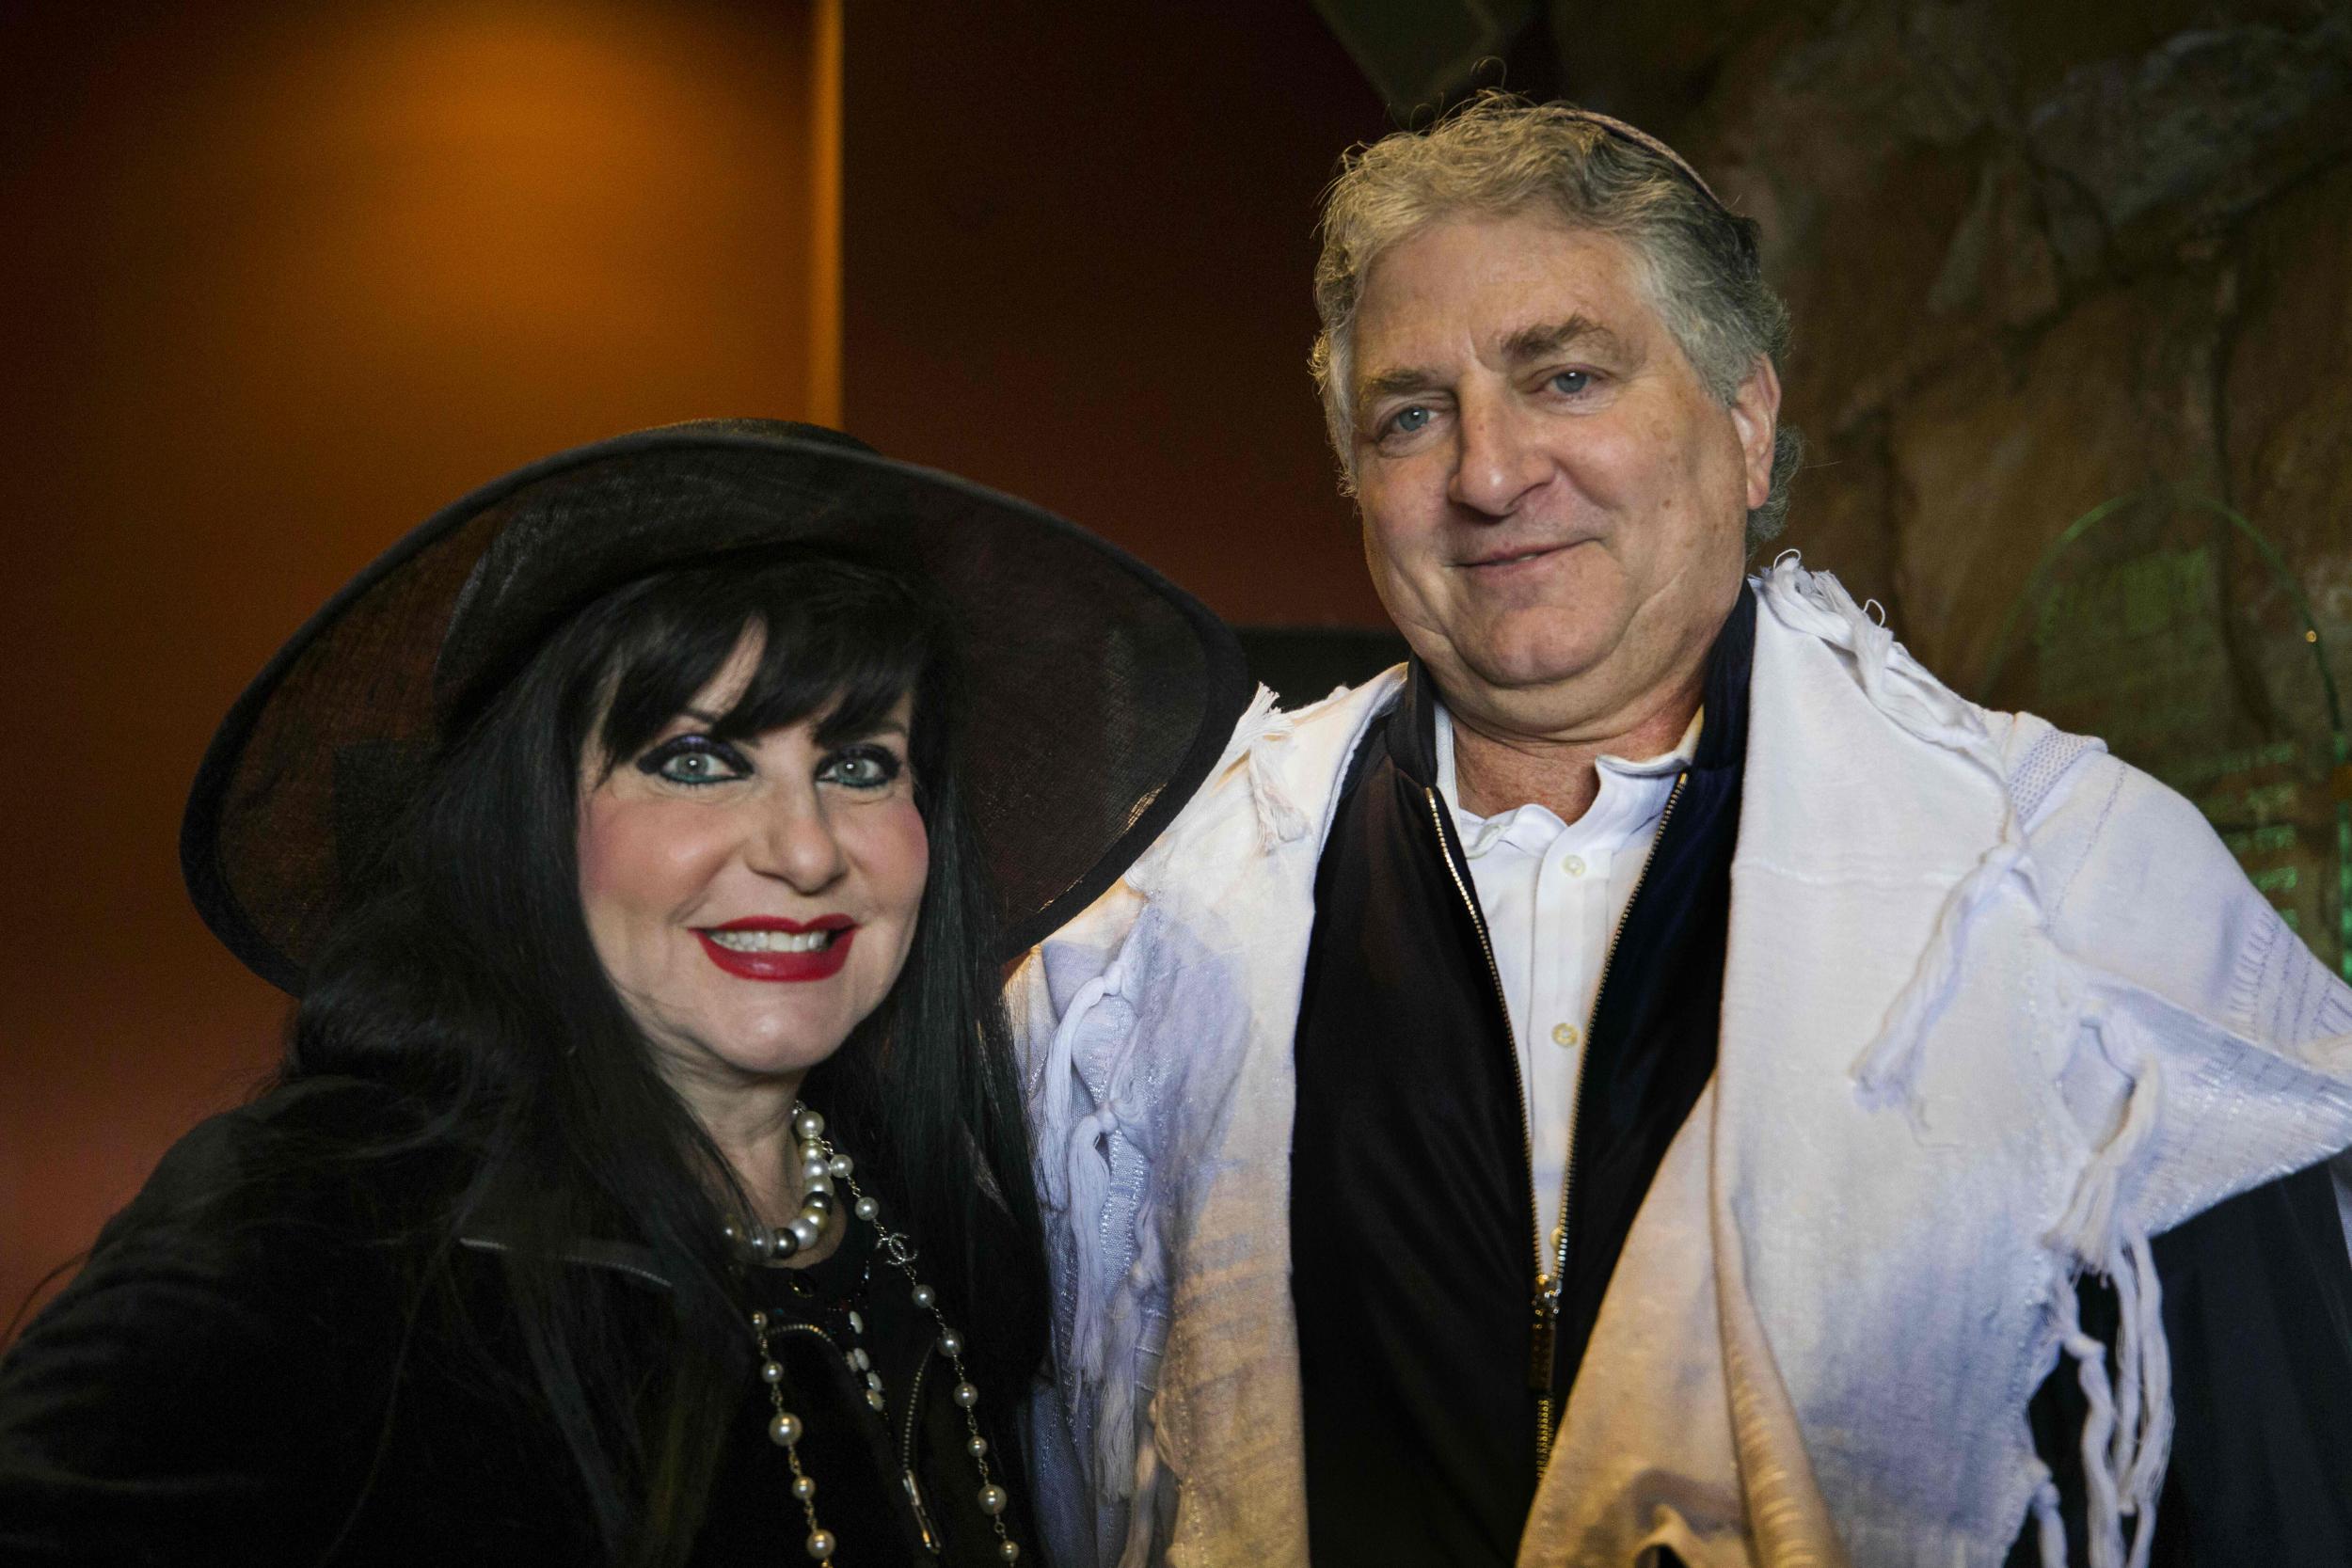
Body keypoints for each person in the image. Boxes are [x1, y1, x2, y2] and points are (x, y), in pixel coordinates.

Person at [1014, 98, 2352, 1568]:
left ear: (1747, 420)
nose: (1489, 472)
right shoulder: (1160, 929)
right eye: (1410, 415)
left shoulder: (2070, 886)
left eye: (1567, 376)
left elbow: (2269, 1486)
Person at [0, 420, 1250, 1566]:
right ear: (530, 824)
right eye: (697, 759)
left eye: (863, 763)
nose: (806, 851)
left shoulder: (930, 1219)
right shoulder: (323, 1236)